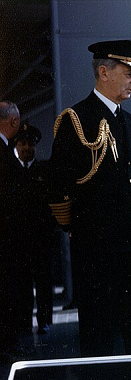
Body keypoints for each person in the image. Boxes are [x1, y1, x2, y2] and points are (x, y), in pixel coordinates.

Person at [48, 40, 131, 358]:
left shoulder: (128, 122)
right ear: (104, 72)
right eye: (129, 74)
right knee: (100, 332)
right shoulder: (76, 119)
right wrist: (76, 227)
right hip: (98, 247)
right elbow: (58, 186)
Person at [11, 123, 57, 335]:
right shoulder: (11, 171)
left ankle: (44, 321)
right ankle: (24, 323)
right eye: (22, 143)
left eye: (30, 144)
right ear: (16, 146)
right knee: (22, 284)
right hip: (18, 240)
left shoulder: (45, 171)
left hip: (41, 238)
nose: (26, 148)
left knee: (44, 282)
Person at [0, 101, 22, 359]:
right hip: (7, 237)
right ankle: (6, 345)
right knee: (8, 291)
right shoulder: (4, 152)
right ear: (14, 122)